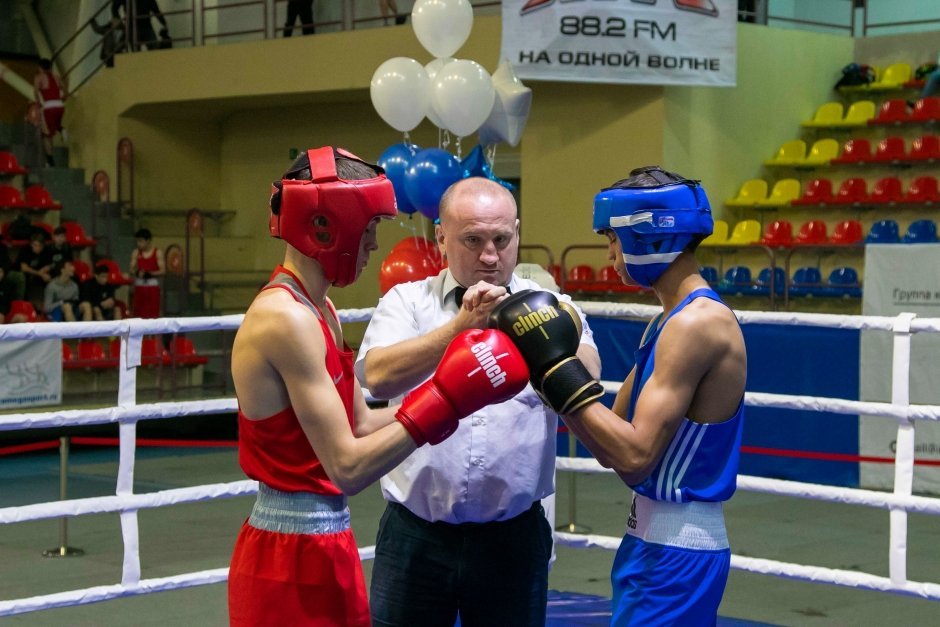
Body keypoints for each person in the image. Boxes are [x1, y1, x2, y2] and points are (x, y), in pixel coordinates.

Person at [227, 147, 530, 626]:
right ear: (328, 226)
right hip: (287, 552)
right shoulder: (285, 318)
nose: (371, 247)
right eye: (367, 230)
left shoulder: (318, 309)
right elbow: (347, 466)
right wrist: (445, 400)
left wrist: (471, 398)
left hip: (330, 538)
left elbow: (363, 422)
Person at [489, 166, 747, 625]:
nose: (609, 253)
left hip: (676, 546)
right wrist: (548, 372)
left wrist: (554, 368)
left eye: (612, 238)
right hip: (651, 541)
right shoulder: (666, 321)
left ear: (647, 235)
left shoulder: (695, 324)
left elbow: (633, 457)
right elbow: (611, 438)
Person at [355, 176, 601, 627]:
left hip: (513, 537)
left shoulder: (551, 307)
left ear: (517, 234)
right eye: (473, 240)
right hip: (415, 533)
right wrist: (458, 330)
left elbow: (587, 374)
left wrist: (538, 337)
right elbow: (376, 376)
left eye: (501, 239)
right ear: (441, 239)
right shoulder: (408, 302)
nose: (490, 255)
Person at [32, 58, 67, 167]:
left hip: (49, 106)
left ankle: (50, 161)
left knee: (46, 135)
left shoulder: (39, 77)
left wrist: (38, 104)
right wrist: (62, 100)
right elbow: (66, 91)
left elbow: (36, 92)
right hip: (60, 106)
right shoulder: (57, 77)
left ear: (40, 67)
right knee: (53, 127)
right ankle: (61, 129)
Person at [129, 227, 164, 318]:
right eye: (137, 241)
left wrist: (150, 274)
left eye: (140, 241)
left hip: (152, 289)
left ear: (148, 241)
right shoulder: (136, 253)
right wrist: (136, 272)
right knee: (138, 315)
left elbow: (163, 271)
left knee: (152, 316)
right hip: (139, 288)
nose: (138, 244)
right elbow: (131, 269)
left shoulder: (157, 253)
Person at [16, 231, 53, 308]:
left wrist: (45, 270)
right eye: (35, 245)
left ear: (43, 245)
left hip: (37, 272)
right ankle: (24, 304)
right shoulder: (25, 249)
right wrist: (40, 274)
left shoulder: (46, 250)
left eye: (40, 246)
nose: (37, 248)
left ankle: (47, 304)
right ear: (31, 244)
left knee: (50, 276)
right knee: (23, 277)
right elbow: (24, 268)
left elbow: (50, 264)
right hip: (22, 272)